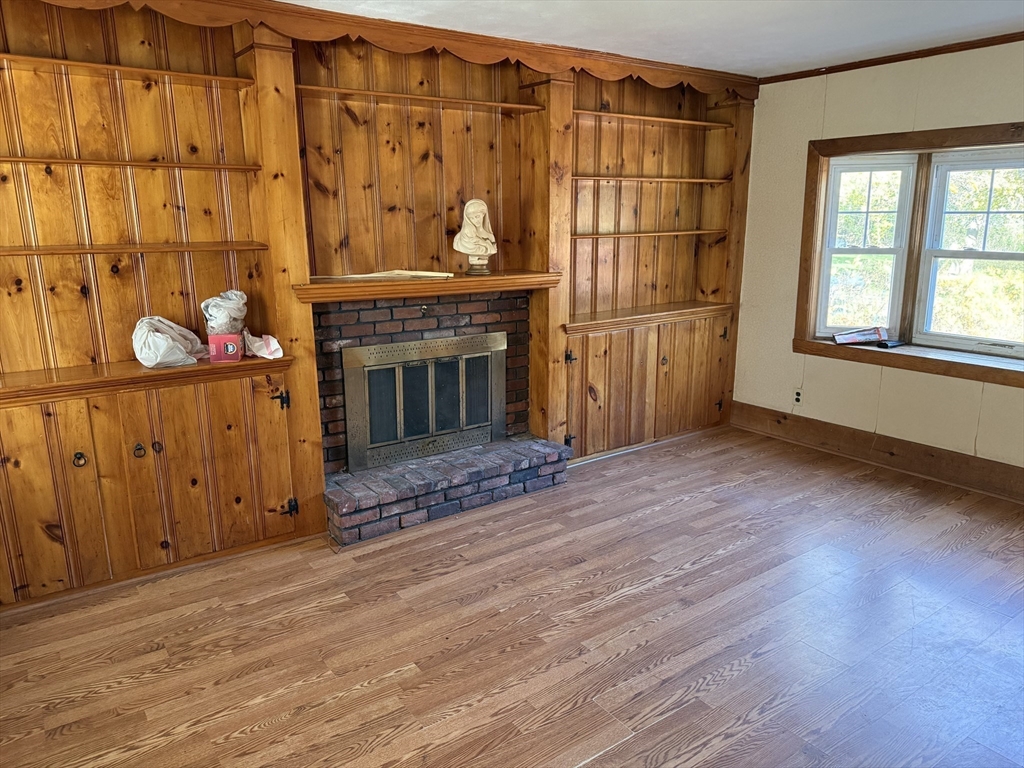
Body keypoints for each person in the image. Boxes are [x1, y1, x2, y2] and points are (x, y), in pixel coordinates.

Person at [453, 199, 497, 274]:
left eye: (477, 216)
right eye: (472, 218)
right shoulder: (460, 238)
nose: (475, 220)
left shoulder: (490, 237)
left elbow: (493, 249)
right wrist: (486, 244)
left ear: (483, 215)